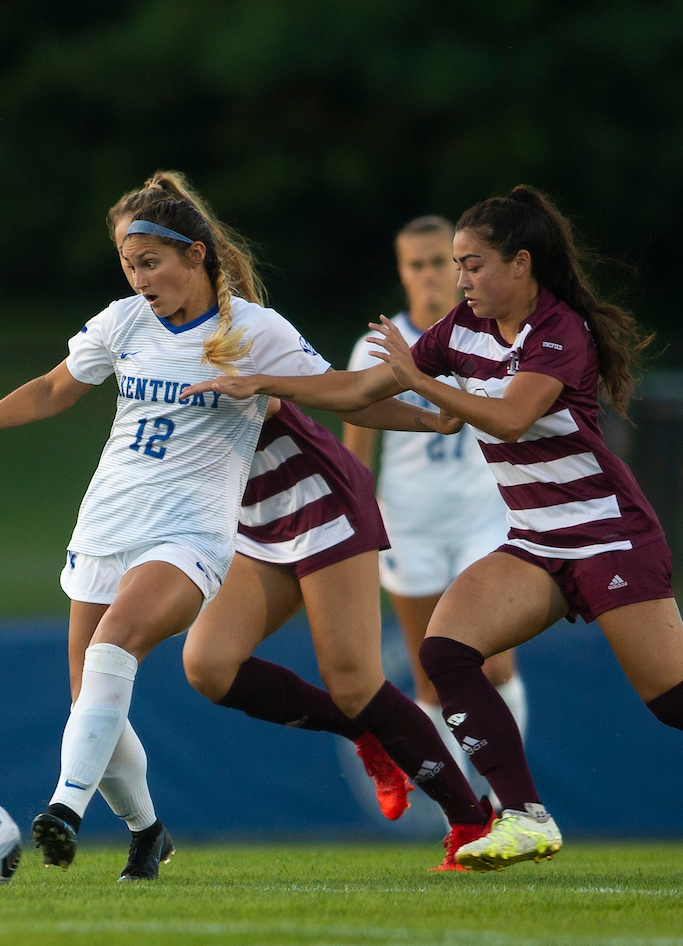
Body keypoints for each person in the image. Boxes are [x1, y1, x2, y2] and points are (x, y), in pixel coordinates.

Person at [178, 185, 683, 883]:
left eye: (472, 265)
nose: (460, 279)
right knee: (444, 651)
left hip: (607, 536)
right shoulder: (459, 331)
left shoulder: (561, 331)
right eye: (455, 265)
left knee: (676, 699)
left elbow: (508, 418)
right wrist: (263, 381)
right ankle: (523, 815)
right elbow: (357, 392)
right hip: (534, 541)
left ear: (521, 265)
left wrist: (420, 378)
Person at [104, 174, 496, 870]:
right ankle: (363, 735)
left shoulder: (251, 330)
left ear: (195, 257)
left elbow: (345, 396)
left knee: (354, 680)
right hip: (253, 522)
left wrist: (423, 415)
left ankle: (472, 819)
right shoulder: (134, 332)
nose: (140, 279)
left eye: (149, 262)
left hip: (320, 505)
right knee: (208, 665)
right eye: (130, 265)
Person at [342, 216, 527, 801]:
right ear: (401, 273)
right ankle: (462, 815)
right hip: (411, 528)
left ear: (459, 267)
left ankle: (507, 800)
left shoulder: (490, 334)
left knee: (494, 665)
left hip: (484, 522)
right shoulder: (378, 345)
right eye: (414, 264)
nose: (428, 275)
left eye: (437, 262)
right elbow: (359, 453)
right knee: (430, 679)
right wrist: (361, 529)